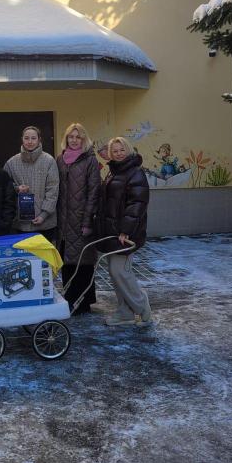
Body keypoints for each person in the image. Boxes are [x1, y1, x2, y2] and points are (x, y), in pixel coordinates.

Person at [96, 136, 152, 327]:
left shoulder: (135, 173)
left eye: (122, 150)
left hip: (125, 234)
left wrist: (126, 231)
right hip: (112, 231)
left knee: (120, 272)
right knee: (114, 272)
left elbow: (137, 204)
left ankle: (143, 308)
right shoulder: (114, 172)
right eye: (115, 151)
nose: (119, 153)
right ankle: (125, 312)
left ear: (128, 150)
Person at [56, 123, 101, 314]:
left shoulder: (90, 160)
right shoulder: (60, 159)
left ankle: (84, 302)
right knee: (66, 260)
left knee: (83, 262)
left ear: (84, 139)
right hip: (63, 220)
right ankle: (70, 298)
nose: (74, 140)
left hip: (82, 219)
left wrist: (88, 220)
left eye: (78, 137)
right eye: (70, 137)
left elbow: (94, 192)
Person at [4, 125, 59, 242]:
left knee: (44, 260)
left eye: (33, 138)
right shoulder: (11, 162)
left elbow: (52, 191)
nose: (30, 141)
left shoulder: (49, 161)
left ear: (39, 140)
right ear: (22, 139)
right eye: (26, 138)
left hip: (45, 224)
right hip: (19, 224)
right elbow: (5, 188)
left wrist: (43, 215)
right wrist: (17, 188)